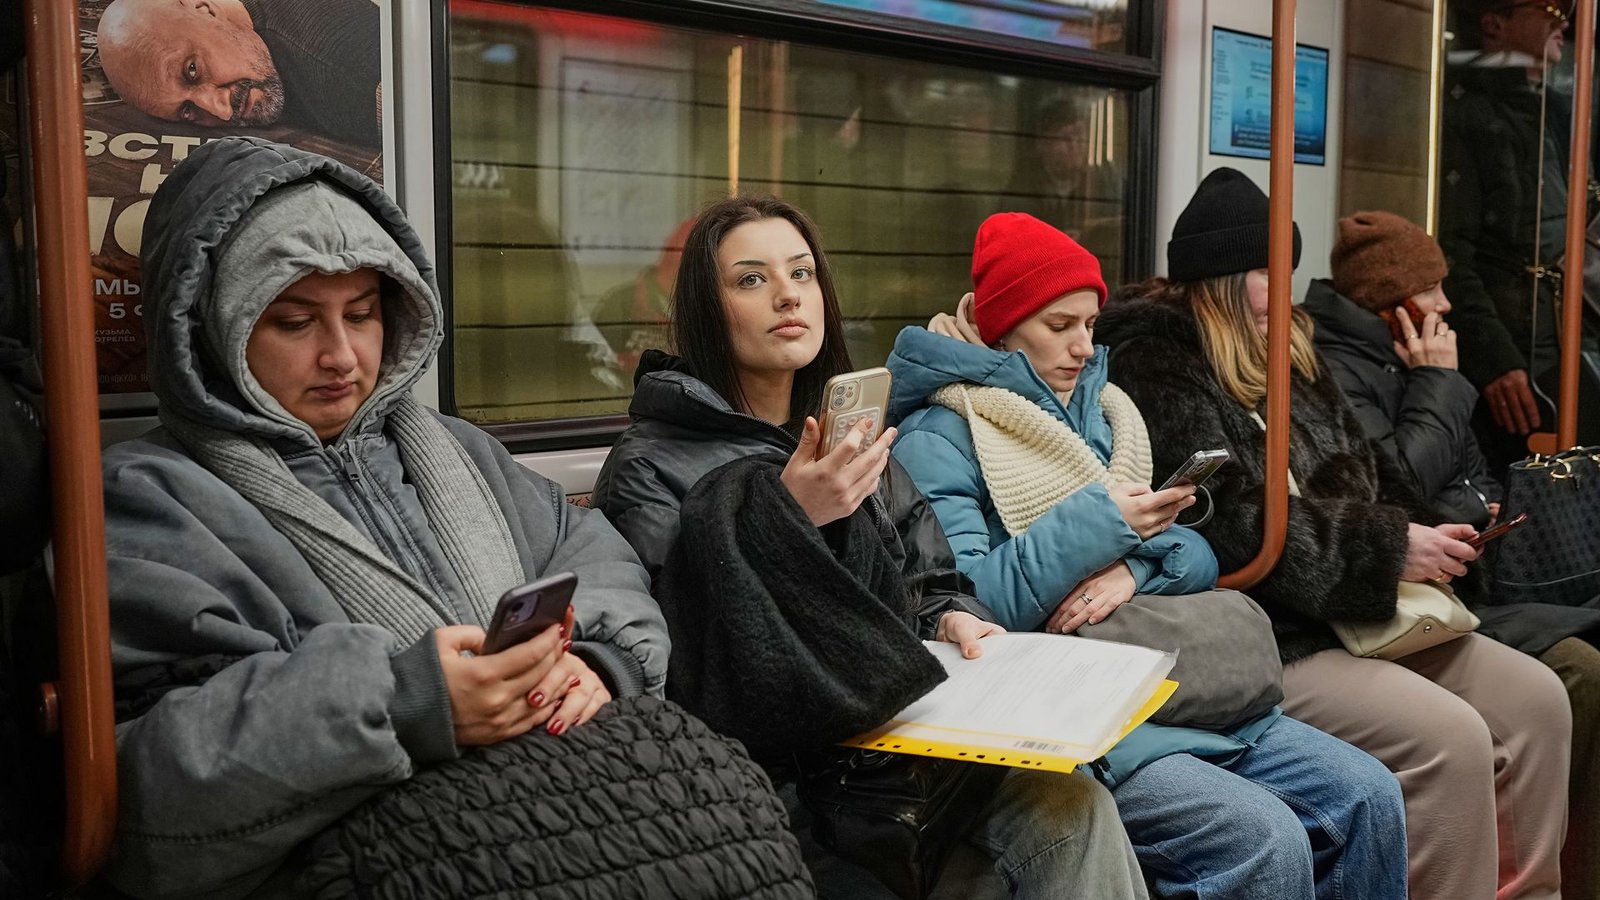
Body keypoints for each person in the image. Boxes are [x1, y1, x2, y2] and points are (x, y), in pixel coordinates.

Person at [98, 138, 812, 898]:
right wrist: (411, 702)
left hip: (549, 804)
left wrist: (598, 661)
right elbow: (153, 783)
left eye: (363, 315)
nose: (342, 355)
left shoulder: (458, 448)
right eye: (294, 322)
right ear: (216, 328)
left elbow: (597, 560)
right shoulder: (152, 497)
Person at [591, 196, 1149, 900]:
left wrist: (951, 617)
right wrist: (789, 518)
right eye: (752, 280)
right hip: (788, 783)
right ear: (709, 307)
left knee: (1076, 805)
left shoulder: (846, 431)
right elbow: (684, 656)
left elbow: (931, 575)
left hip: (897, 753)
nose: (789, 294)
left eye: (802, 274)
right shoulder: (653, 463)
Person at [884, 212, 1408, 900]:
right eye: (1058, 325)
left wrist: (1130, 568)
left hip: (1159, 688)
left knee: (1371, 794)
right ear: (1002, 326)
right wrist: (1105, 525)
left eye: (1090, 325)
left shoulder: (1109, 413)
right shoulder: (943, 432)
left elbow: (1193, 553)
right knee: (1264, 839)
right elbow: (968, 601)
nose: (1081, 347)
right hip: (1069, 714)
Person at [1098, 166, 1574, 900]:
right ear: (1219, 280)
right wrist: (1384, 548)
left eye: (1283, 270)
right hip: (1275, 628)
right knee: (1450, 740)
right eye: (1263, 272)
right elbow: (1228, 524)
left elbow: (1379, 477)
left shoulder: (1293, 354)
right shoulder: (1156, 365)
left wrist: (1420, 535)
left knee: (1539, 701)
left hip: (1358, 610)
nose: (1279, 291)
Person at [1306, 208, 1600, 900]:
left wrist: (1489, 505)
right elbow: (1395, 486)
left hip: (1475, 570)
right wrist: (1438, 383)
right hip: (1421, 596)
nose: (1445, 303)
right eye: (1432, 291)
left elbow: (1471, 472)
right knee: (1579, 672)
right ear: (1393, 304)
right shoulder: (1342, 373)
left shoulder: (1411, 359)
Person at [1439, 0, 1600, 466]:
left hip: (1568, 334)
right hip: (1521, 353)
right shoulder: (1468, 115)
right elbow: (1453, 254)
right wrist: (1496, 359)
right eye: (1549, 6)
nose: (1564, 19)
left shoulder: (1554, 113)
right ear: (1494, 24)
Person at [96, 0, 380, 147]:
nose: (220, 112)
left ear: (204, 8)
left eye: (192, 71)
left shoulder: (351, 77)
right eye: (187, 111)